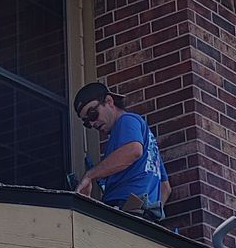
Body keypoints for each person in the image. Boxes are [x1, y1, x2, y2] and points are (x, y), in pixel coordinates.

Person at [71, 82, 168, 216]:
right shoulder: (149, 142)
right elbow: (165, 187)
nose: (92, 123)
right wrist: (151, 217)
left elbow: (133, 151)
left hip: (126, 209)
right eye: (87, 122)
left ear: (109, 101)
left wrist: (90, 175)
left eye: (92, 114)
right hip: (143, 213)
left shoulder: (126, 120)